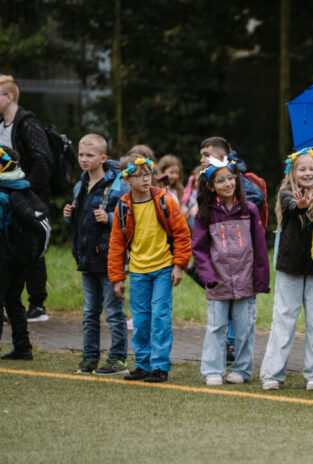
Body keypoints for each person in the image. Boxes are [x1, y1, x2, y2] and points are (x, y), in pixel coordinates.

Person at [108, 157, 191, 383]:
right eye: (139, 175)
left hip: (163, 269)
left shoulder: (164, 200)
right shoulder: (123, 206)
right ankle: (143, 365)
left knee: (161, 318)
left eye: (148, 174)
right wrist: (117, 278)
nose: (145, 179)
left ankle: (160, 366)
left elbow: (183, 234)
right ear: (127, 179)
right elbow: (116, 244)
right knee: (141, 321)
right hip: (137, 272)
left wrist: (179, 266)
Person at [192, 158, 269, 385]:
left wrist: (261, 278)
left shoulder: (250, 209)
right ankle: (212, 370)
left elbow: (260, 247)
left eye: (231, 177)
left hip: (246, 280)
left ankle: (242, 370)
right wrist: (208, 277)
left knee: (245, 327)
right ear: (210, 186)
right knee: (216, 327)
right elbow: (199, 249)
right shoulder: (205, 214)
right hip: (218, 281)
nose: (228, 183)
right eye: (221, 180)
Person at [260, 148, 313, 391]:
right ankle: (272, 374)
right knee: (284, 320)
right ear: (293, 172)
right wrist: (302, 206)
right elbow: (292, 207)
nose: (308, 173)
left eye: (312, 169)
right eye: (302, 169)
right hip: (289, 267)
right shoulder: (286, 194)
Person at [64, 134, 129, 375]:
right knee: (90, 312)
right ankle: (89, 357)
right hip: (86, 259)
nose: (84, 159)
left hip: (110, 259)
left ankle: (118, 358)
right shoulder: (80, 186)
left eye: (89, 155)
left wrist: (110, 218)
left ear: (102, 158)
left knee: (113, 311)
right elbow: (82, 223)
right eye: (81, 154)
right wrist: (68, 215)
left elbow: (128, 219)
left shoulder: (117, 186)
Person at [0, 75, 53, 322]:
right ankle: (13, 302)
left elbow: (43, 161)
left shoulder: (28, 124)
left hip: (29, 197)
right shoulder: (3, 126)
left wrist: (25, 190)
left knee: (32, 246)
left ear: (8, 97)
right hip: (8, 198)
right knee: (10, 247)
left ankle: (37, 305)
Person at [0, 146, 33, 359]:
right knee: (13, 300)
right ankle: (23, 347)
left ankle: (22, 347)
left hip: (3, 255)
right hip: (20, 255)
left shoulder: (2, 193)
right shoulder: (21, 187)